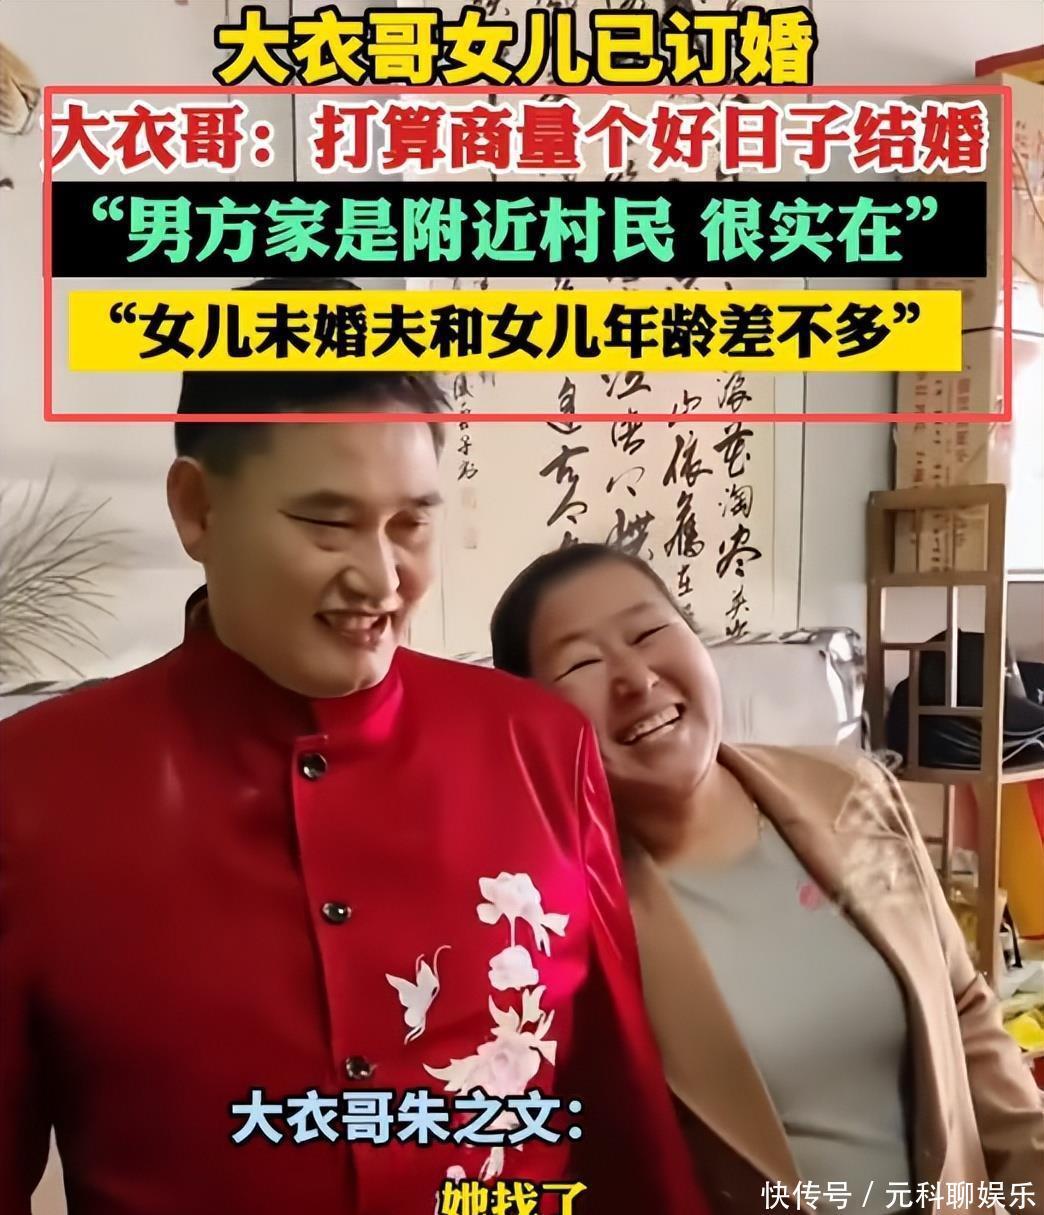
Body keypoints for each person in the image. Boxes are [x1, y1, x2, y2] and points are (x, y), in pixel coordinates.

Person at [0, 336, 707, 1213]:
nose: (380, 578)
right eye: (326, 523)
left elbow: (619, 1117)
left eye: (411, 524)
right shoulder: (33, 785)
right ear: (199, 509)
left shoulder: (537, 743)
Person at [490, 542, 1044, 1215]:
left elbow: (962, 1009)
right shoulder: (549, 920)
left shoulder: (849, 788)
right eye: (582, 663)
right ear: (534, 718)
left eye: (649, 632)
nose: (635, 677)